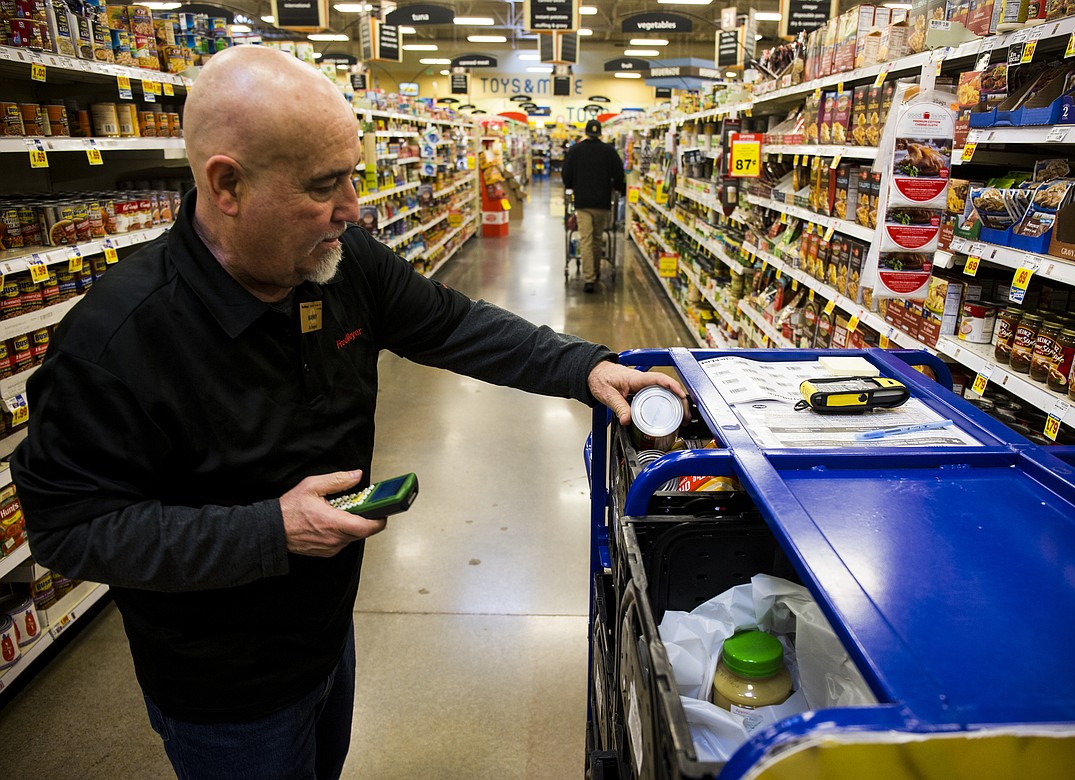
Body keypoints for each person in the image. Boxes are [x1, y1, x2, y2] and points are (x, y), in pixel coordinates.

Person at [10, 46, 685, 780]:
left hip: (329, 632)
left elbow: (453, 324)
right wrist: (270, 531)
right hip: (225, 688)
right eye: (323, 185)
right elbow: (67, 529)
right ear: (227, 184)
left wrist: (582, 365)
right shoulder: (118, 339)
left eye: (353, 176)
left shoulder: (343, 264)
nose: (352, 209)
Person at [561, 118, 625, 293]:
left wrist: (573, 186)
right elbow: (619, 175)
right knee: (597, 239)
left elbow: (566, 175)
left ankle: (589, 279)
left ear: (586, 132)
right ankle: (595, 273)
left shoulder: (575, 150)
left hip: (582, 202)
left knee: (586, 240)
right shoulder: (609, 151)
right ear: (600, 133)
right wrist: (619, 189)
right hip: (603, 203)